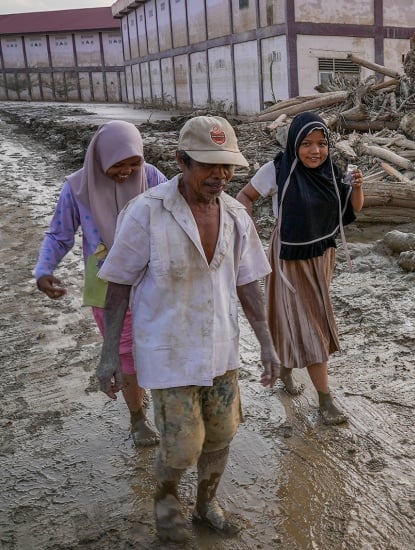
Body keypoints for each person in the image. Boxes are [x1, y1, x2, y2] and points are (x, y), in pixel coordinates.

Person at [95, 115, 281, 542]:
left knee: (220, 435)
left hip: (220, 349)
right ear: (181, 160)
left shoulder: (236, 216)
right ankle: (165, 498)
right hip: (168, 350)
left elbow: (248, 283)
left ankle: (206, 503)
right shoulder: (146, 213)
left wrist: (266, 346)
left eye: (227, 167)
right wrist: (108, 356)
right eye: (208, 165)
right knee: (182, 445)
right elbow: (118, 286)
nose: (220, 175)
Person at [34, 120, 167, 447]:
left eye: (133, 162)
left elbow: (180, 214)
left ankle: (154, 396)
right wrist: (44, 269)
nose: (126, 171)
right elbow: (59, 235)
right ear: (100, 159)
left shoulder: (151, 177)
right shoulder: (77, 187)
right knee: (123, 352)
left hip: (154, 281)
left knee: (159, 346)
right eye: (117, 165)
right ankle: (137, 417)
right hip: (106, 285)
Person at [235, 111, 364, 425]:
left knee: (295, 319)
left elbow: (351, 210)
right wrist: (251, 239)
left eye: (321, 143)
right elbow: (244, 197)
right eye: (306, 143)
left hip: (322, 255)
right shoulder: (277, 169)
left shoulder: (332, 171)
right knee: (313, 325)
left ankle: (286, 368)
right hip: (289, 258)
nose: (315, 151)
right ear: (294, 143)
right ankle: (325, 400)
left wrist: (357, 187)